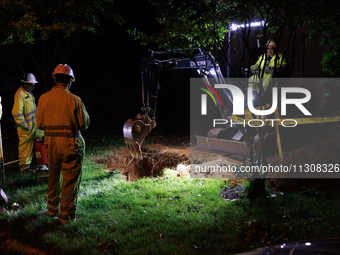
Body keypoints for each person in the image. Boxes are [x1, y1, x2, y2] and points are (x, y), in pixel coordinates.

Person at [36, 64, 90, 224]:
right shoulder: (74, 100)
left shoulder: (43, 98)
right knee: (70, 180)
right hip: (70, 144)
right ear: (70, 81)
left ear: (55, 80)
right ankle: (65, 216)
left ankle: (51, 209)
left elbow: (39, 124)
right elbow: (84, 124)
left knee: (53, 176)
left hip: (51, 145)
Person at [12, 73, 44, 174]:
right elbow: (16, 113)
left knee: (44, 139)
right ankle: (25, 168)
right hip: (26, 129)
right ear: (24, 84)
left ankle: (42, 162)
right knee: (25, 148)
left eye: (33, 85)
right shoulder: (20, 94)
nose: (32, 87)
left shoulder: (28, 93)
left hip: (34, 127)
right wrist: (25, 125)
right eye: (30, 85)